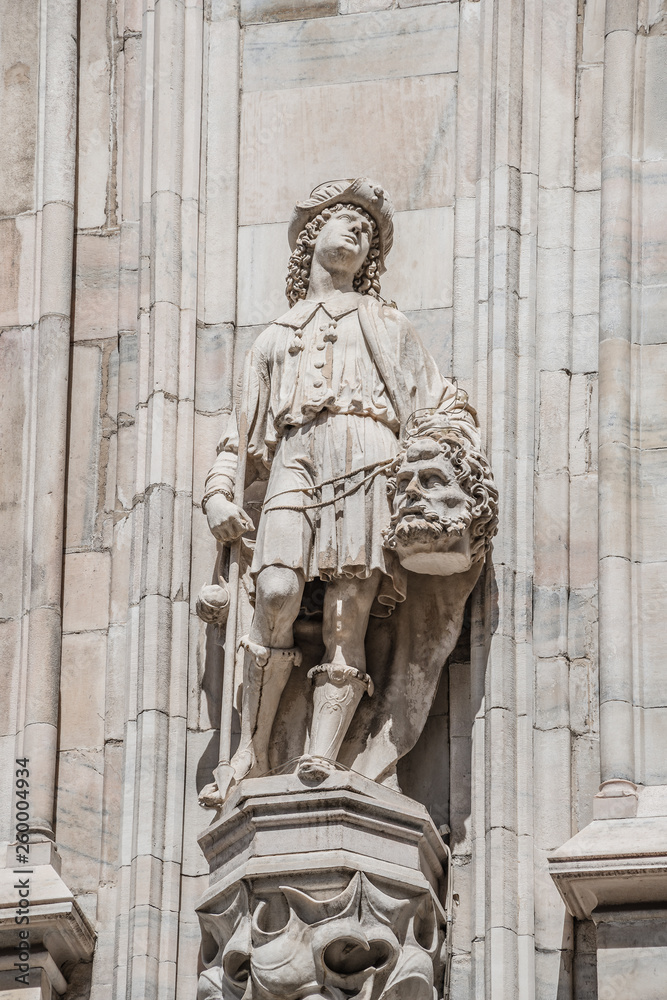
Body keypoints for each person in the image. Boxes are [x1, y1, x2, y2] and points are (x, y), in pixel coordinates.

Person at [200, 178, 479, 804]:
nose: (355, 232)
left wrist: (447, 448)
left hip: (369, 460)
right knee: (275, 590)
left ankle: (323, 757)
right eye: (344, 220)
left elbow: (438, 402)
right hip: (296, 457)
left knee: (346, 617)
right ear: (311, 238)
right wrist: (219, 493)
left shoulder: (389, 324)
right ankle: (254, 744)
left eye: (366, 229)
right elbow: (238, 436)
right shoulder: (275, 336)